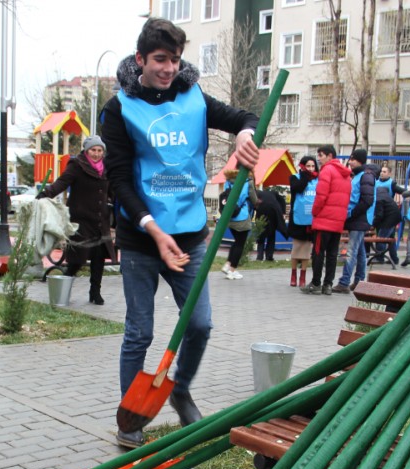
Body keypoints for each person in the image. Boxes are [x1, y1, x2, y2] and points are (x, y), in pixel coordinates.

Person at [101, 17, 259, 447]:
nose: (168, 68)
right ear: (140, 60)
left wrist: (246, 134)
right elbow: (117, 179)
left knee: (201, 324)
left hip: (189, 235)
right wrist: (151, 229)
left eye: (174, 59)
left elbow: (247, 115)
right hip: (140, 236)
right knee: (140, 331)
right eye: (159, 60)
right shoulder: (119, 109)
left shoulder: (194, 98)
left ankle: (182, 389)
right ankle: (129, 416)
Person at [36, 134, 116, 305]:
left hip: (100, 220)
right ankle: (62, 288)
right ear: (87, 151)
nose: (96, 153)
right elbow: (62, 182)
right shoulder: (77, 165)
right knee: (77, 259)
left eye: (99, 150)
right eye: (93, 150)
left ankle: (95, 292)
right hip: (80, 220)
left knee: (98, 257)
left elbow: (112, 191)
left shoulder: (106, 168)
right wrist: (45, 194)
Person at [303, 145, 351, 296]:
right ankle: (328, 284)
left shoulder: (327, 170)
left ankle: (316, 283)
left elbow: (321, 195)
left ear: (330, 156)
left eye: (321, 155)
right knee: (332, 253)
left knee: (318, 252)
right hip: (337, 221)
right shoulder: (346, 174)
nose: (319, 158)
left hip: (324, 220)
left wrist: (315, 212)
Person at [334, 149, 377, 295]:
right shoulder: (358, 176)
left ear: (359, 160)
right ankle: (359, 281)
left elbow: (367, 200)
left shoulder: (365, 177)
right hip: (357, 218)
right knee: (359, 251)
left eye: (352, 159)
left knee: (351, 251)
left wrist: (351, 213)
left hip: (359, 218)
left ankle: (344, 282)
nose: (350, 161)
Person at [219, 168, 258, 280]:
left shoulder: (228, 181)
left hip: (229, 216)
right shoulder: (247, 182)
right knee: (240, 244)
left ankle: (227, 264)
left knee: (236, 242)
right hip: (242, 216)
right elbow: (254, 200)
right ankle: (232, 270)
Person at [287, 155, 317, 287]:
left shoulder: (319, 180)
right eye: (308, 166)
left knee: (306, 249)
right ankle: (293, 274)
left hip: (311, 220)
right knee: (297, 247)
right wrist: (305, 176)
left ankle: (303, 275)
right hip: (298, 219)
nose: (310, 169)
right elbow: (298, 188)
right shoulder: (295, 178)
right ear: (303, 166)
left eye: (313, 166)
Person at [371, 164, 405, 266]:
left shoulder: (391, 184)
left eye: (384, 171)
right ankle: (394, 258)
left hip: (389, 215)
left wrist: (373, 223)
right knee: (390, 238)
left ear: (389, 173)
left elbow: (379, 214)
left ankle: (380, 257)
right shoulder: (376, 183)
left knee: (381, 237)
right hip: (387, 214)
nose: (381, 173)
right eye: (381, 171)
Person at [254, 188, 287, 262]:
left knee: (261, 233)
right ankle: (269, 256)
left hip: (262, 210)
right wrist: (283, 212)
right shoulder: (273, 193)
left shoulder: (256, 193)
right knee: (271, 234)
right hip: (273, 211)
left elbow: (253, 205)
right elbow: (282, 200)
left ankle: (259, 257)